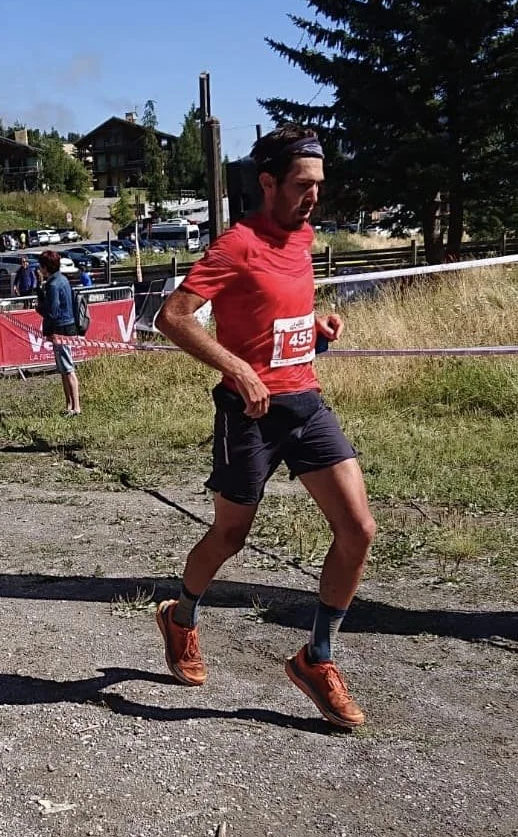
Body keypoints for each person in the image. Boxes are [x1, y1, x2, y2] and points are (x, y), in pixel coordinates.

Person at [153, 124, 376, 730]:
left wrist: (314, 331)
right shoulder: (236, 244)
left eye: (319, 186)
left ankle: (316, 658)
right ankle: (181, 616)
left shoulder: (302, 237)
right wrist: (237, 369)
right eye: (303, 185)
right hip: (248, 416)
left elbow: (276, 317)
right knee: (230, 537)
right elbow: (171, 317)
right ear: (268, 181)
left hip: (305, 404)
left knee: (357, 528)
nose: (313, 198)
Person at [37, 250, 81, 416]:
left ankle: (76, 406)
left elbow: (53, 311)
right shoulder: (62, 279)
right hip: (67, 324)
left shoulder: (53, 284)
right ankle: (69, 404)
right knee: (63, 368)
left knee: (68, 368)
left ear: (45, 267)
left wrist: (40, 308)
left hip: (60, 328)